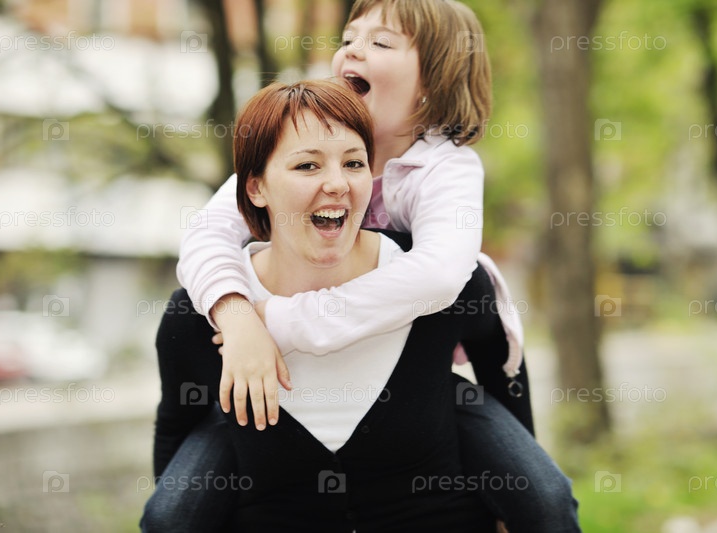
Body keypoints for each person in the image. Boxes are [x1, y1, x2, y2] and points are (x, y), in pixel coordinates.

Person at [155, 0, 580, 531]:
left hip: (421, 371)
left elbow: (440, 276)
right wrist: (238, 319)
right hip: (283, 374)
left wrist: (284, 320)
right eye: (349, 38)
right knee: (170, 513)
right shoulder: (303, 137)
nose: (352, 51)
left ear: (431, 84)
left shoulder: (446, 167)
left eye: (380, 43)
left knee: (544, 498)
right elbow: (206, 235)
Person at [147, 79, 508, 531]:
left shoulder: (444, 291)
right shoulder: (200, 317)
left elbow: (503, 375)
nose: (337, 184)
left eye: (354, 163)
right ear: (255, 188)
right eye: (307, 165)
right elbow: (175, 445)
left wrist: (513, 509)